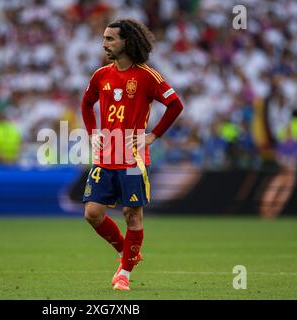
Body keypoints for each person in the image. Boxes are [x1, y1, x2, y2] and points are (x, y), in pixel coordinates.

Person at [81, 19, 184, 291]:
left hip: (132, 157)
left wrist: (153, 136)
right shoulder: (101, 75)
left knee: (131, 215)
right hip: (106, 155)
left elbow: (175, 105)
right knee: (92, 213)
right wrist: (93, 132)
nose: (105, 44)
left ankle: (124, 272)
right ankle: (127, 250)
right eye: (104, 39)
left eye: (110, 39)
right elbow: (86, 103)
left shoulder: (148, 76)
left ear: (127, 42)